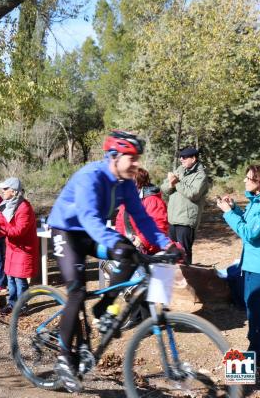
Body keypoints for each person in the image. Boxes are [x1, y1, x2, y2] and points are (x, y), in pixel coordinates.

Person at [46, 130, 183, 392]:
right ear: (114, 156)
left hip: (91, 232)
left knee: (131, 254)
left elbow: (141, 218)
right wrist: (115, 243)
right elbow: (88, 217)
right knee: (76, 292)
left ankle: (105, 307)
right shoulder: (91, 176)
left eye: (136, 159)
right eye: (131, 158)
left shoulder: (126, 183)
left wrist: (167, 244)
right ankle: (64, 359)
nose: (135, 164)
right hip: (66, 232)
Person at [217, 164, 260, 366]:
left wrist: (227, 213)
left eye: (248, 178)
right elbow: (247, 224)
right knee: (251, 307)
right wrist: (234, 209)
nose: (244, 181)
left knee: (256, 310)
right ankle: (256, 348)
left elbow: (250, 234)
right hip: (251, 265)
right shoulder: (257, 202)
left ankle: (258, 352)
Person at [0, 177, 38, 315]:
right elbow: (0, 220)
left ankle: (22, 306)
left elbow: (19, 231)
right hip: (12, 247)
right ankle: (12, 303)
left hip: (24, 249)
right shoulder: (7, 204)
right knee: (10, 277)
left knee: (20, 279)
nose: (2, 191)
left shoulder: (24, 207)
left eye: (5, 189)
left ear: (14, 191)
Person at [161, 147, 210, 265]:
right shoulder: (179, 170)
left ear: (193, 158)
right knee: (172, 253)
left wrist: (176, 182)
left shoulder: (201, 176)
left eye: (184, 157)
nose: (181, 159)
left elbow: (193, 194)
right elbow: (164, 188)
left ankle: (187, 281)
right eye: (180, 157)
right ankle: (174, 280)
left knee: (184, 254)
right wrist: (171, 184)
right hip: (173, 219)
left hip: (186, 221)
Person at [115, 167, 169, 254]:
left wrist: (141, 240)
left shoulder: (153, 201)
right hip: (129, 248)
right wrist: (119, 240)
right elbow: (120, 223)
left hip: (149, 251)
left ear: (136, 183)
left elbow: (159, 226)